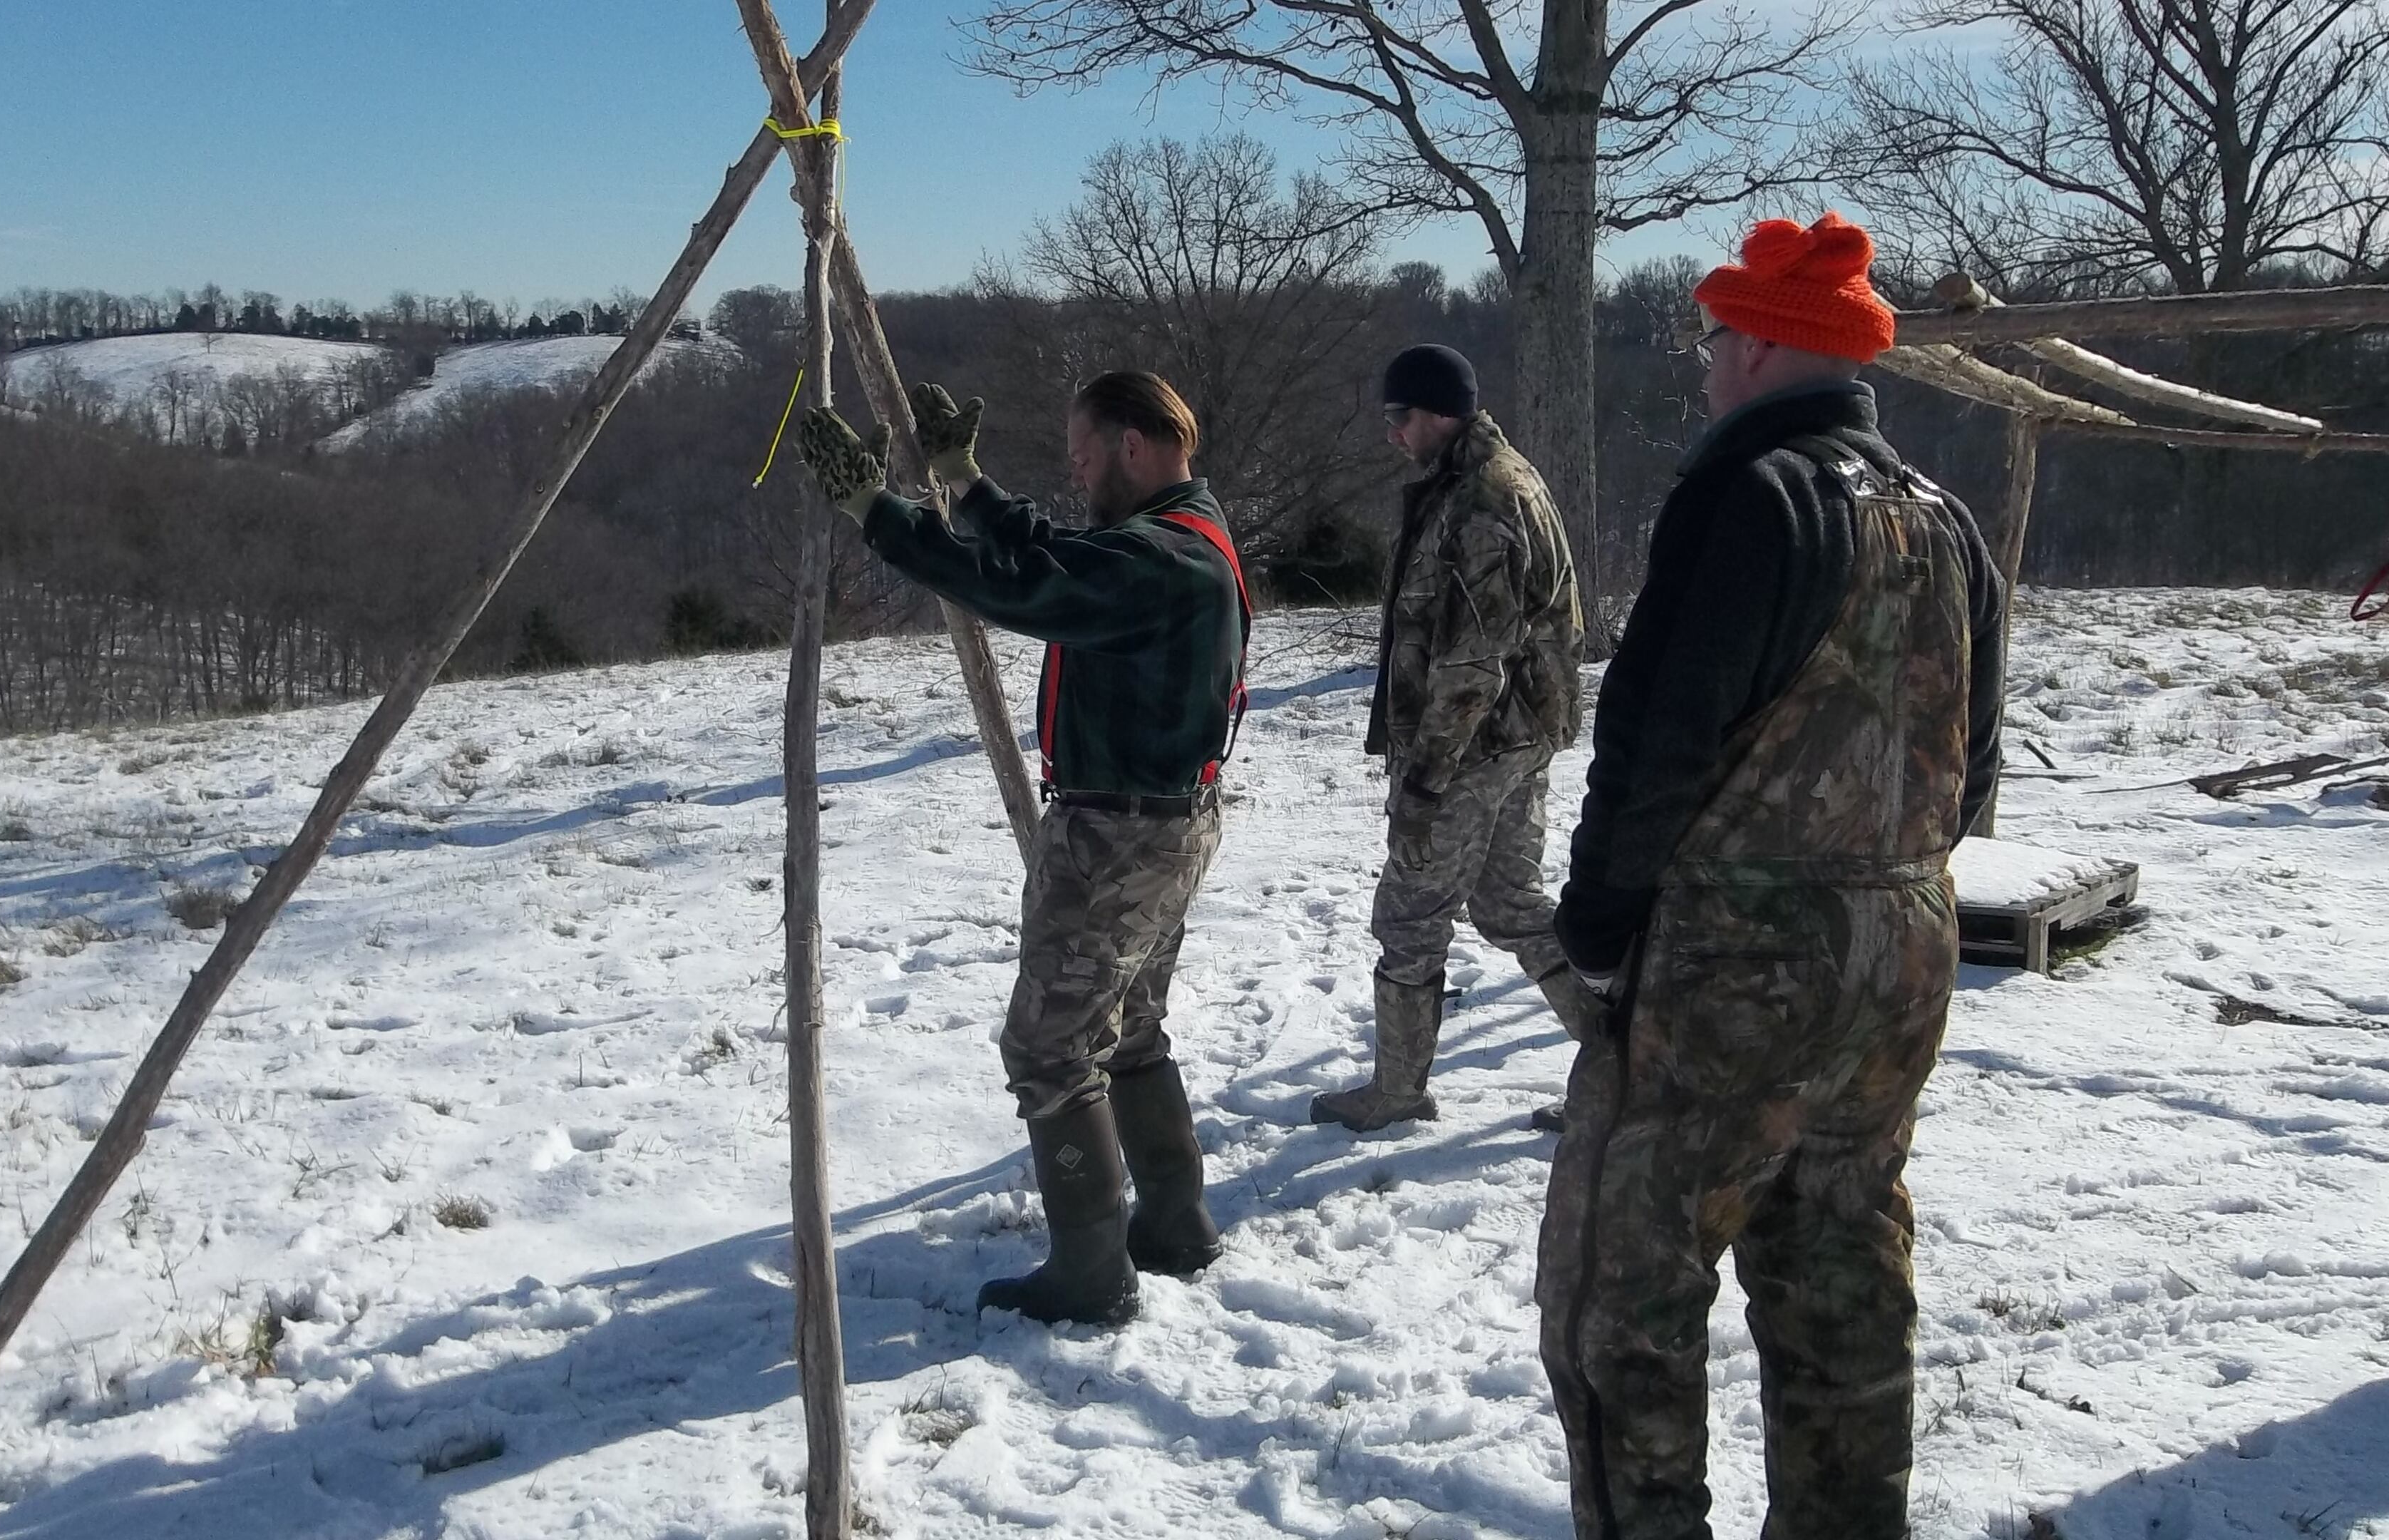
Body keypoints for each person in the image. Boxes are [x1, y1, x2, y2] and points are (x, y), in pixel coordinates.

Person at [1534, 212, 2005, 1538]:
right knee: (1842, 1274)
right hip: (1904, 958)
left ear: (1760, 349)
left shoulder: (1752, 499)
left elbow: (1653, 740)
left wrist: (1602, 925)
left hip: (1738, 968)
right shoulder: (1946, 522)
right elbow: (1971, 776)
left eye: (1711, 338)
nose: (1699, 365)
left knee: (1621, 1295)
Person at [796, 371, 1250, 1327]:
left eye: (1085, 455)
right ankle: (1173, 1222)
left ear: (1133, 445)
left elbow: (1024, 585)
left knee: (1048, 1045)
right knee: (1127, 1027)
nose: (1077, 474)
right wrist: (966, 481)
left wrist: (876, 509)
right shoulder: (1185, 528)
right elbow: (1062, 555)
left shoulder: (1162, 560)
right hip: (1165, 823)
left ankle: (1091, 1272)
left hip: (1118, 836)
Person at [1311, 344, 1598, 1134]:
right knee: (1510, 905)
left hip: (1474, 745)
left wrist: (1426, 779)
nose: (1392, 436)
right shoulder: (1488, 481)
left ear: (1437, 413)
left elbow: (1475, 664)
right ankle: (1619, 1069)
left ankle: (1398, 1089)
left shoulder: (1482, 502)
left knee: (1410, 914)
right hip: (1515, 739)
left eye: (1398, 418)